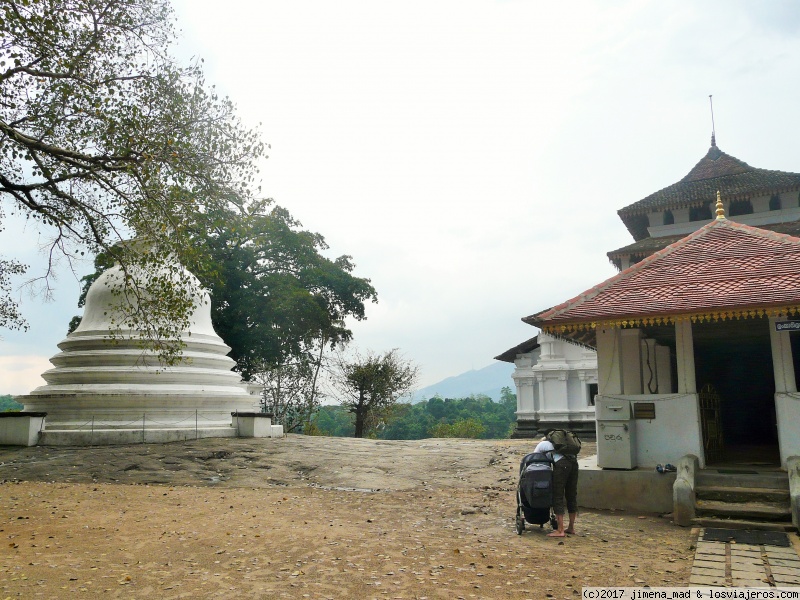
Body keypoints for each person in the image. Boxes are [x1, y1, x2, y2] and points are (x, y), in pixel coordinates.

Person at [534, 434, 578, 537]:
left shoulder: (542, 444)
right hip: (574, 464)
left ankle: (560, 530)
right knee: (571, 495)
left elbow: (533, 458)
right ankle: (571, 527)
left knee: (557, 495)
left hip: (561, 465)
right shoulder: (566, 445)